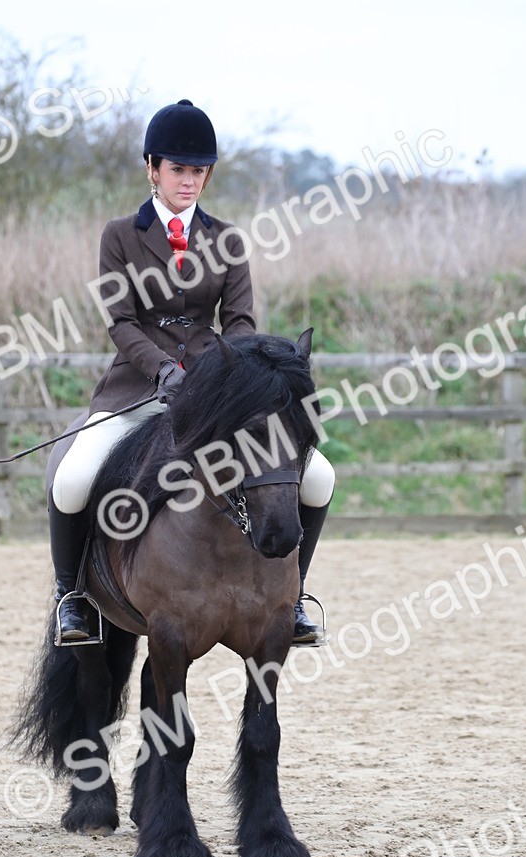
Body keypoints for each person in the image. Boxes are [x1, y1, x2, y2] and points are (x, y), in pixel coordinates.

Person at [49, 99, 335, 645]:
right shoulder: (120, 236)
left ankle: (293, 597)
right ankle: (74, 599)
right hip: (135, 388)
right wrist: (161, 370)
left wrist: (223, 382)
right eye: (178, 169)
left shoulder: (227, 240)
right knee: (73, 478)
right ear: (152, 169)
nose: (189, 180)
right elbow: (121, 321)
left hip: (213, 398)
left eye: (198, 171)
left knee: (319, 477)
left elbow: (241, 322)